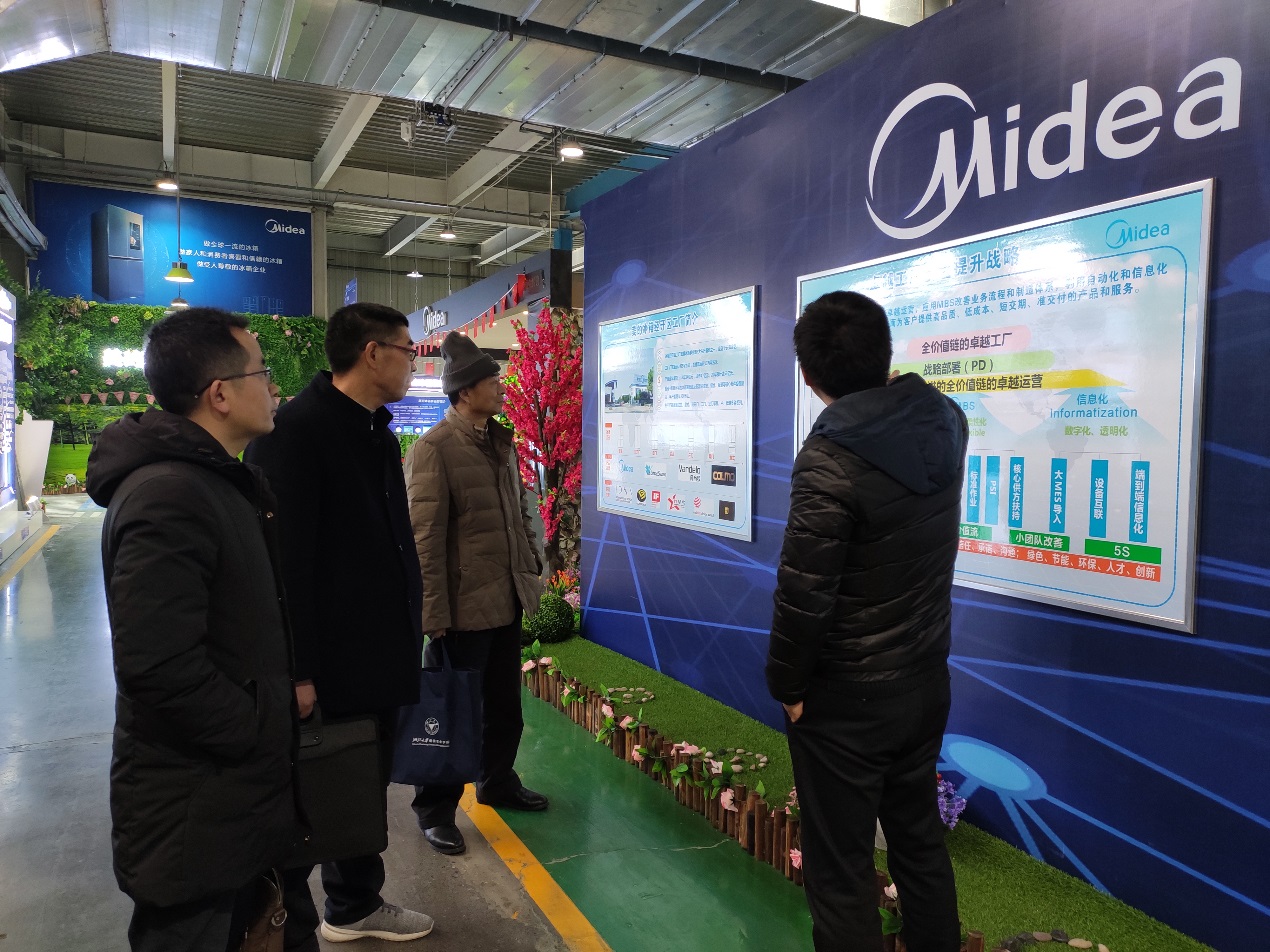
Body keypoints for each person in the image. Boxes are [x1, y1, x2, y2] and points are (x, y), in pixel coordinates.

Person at [85, 308, 298, 952]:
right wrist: (257, 723)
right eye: (263, 372)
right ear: (220, 394)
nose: (275, 388)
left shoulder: (218, 482)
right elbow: (158, 666)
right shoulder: (169, 496)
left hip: (231, 800)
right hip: (192, 812)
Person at [766, 291, 967, 952]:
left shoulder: (829, 459)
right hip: (924, 680)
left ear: (808, 376)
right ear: (886, 354)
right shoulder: (948, 422)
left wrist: (788, 687)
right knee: (919, 845)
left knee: (841, 870)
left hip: (846, 700)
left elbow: (804, 590)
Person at [244, 302, 433, 947]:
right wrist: (299, 670)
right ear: (372, 354)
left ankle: (354, 902)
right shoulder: (298, 432)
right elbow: (284, 565)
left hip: (376, 649)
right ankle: (297, 917)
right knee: (323, 790)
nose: (414, 364)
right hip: (332, 661)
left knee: (359, 782)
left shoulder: (372, 427)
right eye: (408, 351)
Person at [405, 330, 547, 856]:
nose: (501, 387)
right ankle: (435, 810)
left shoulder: (500, 444)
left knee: (504, 707)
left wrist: (530, 565)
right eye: (492, 381)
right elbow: (424, 539)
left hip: (504, 599)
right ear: (464, 392)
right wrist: (433, 613)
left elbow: (518, 515)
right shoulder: (433, 449)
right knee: (450, 713)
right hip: (461, 612)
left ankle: (497, 781)